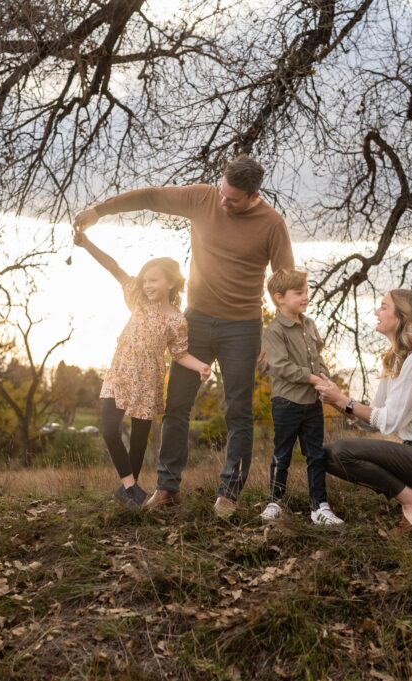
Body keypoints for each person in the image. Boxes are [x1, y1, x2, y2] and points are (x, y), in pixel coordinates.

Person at [73, 156, 294, 517]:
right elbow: (150, 196)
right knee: (176, 407)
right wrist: (100, 211)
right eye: (223, 192)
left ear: (254, 195)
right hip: (197, 322)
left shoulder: (272, 224)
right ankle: (167, 487)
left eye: (233, 199)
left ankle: (229, 492)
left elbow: (285, 279)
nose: (224, 202)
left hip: (243, 327)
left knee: (238, 411)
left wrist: (278, 335)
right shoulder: (203, 198)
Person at [74, 228, 211, 509]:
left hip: (149, 378)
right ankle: (131, 487)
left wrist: (201, 366)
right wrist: (87, 244)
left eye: (153, 280)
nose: (147, 285)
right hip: (121, 372)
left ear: (170, 283)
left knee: (138, 440)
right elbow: (114, 266)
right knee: (110, 430)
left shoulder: (177, 320)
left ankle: (129, 495)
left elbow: (180, 353)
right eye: (145, 279)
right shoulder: (136, 299)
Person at [315, 289, 412, 535]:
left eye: (383, 307)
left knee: (342, 451)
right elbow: (374, 421)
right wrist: (336, 401)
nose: (377, 312)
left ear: (401, 317)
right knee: (323, 455)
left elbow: (389, 421)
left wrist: (344, 400)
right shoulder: (396, 361)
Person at [260, 269, 344, 525]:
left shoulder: (309, 325)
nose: (306, 296)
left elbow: (318, 360)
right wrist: (313, 378)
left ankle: (320, 506)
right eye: (299, 293)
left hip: (312, 404)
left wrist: (325, 378)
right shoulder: (274, 331)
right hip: (286, 402)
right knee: (282, 454)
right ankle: (275, 502)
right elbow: (280, 366)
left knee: (315, 455)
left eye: (306, 291)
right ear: (280, 298)